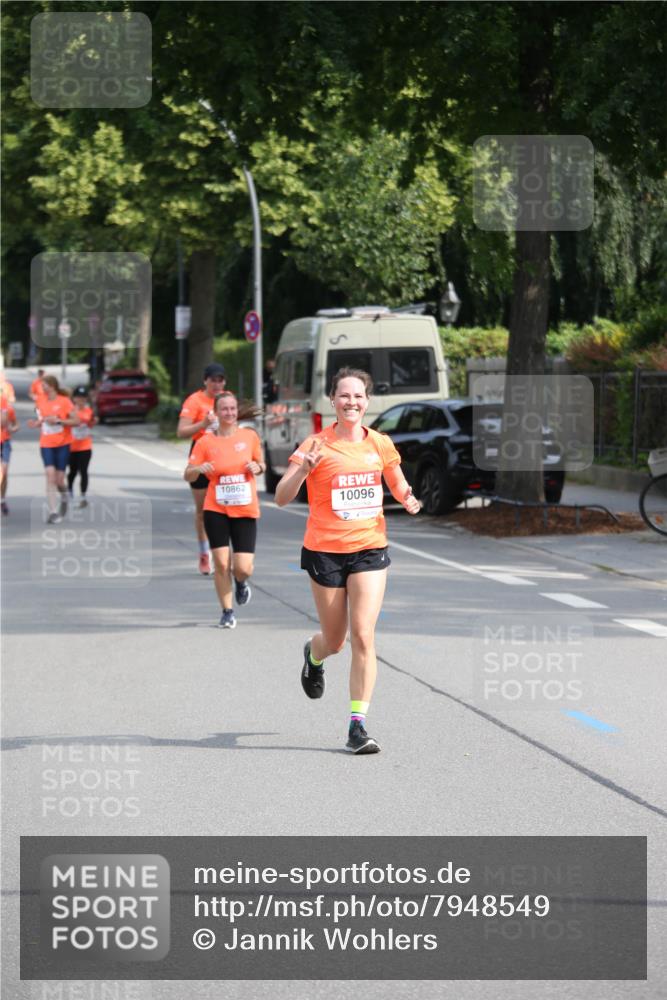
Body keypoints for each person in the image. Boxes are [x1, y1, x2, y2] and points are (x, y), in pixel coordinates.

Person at [275, 367, 421, 754]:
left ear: (367, 401)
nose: (351, 402)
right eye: (344, 396)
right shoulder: (315, 444)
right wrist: (304, 470)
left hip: (370, 548)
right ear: (333, 401)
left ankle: (358, 725)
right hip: (325, 550)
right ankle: (313, 653)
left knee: (363, 634)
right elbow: (280, 497)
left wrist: (408, 497)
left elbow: (396, 480)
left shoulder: (380, 444)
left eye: (358, 396)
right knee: (335, 640)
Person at [184, 391, 265, 629]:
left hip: (245, 509)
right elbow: (187, 473)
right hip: (215, 508)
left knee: (242, 567)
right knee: (220, 563)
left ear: (237, 412)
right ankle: (227, 611)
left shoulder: (249, 437)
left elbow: (262, 464)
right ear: (216, 413)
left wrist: (257, 467)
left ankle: (241, 582)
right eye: (224, 409)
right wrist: (198, 468)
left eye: (232, 408)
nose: (229, 413)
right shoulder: (205, 442)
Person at [177, 363, 227, 575]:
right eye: (213, 380)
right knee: (203, 511)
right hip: (200, 456)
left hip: (224, 456)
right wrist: (203, 425)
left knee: (225, 508)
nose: (217, 384)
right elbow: (181, 432)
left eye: (220, 380)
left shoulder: (227, 398)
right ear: (205, 381)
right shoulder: (195, 401)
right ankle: (204, 553)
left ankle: (223, 553)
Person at [27, 375, 79, 523]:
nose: (43, 388)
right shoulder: (40, 400)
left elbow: (76, 421)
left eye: (45, 385)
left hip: (63, 443)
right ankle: (53, 511)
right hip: (46, 443)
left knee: (59, 479)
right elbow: (41, 420)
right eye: (42, 385)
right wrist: (35, 424)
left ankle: (64, 495)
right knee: (50, 475)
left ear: (53, 386)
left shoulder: (64, 401)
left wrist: (59, 420)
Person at [67, 386, 97, 508]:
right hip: (71, 447)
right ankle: (69, 491)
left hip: (85, 447)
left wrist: (93, 420)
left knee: (83, 471)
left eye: (83, 398)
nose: (81, 400)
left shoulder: (89, 411)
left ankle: (83, 497)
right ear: (74, 398)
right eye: (78, 398)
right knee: (72, 472)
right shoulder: (69, 411)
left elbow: (91, 424)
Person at [1, 393, 19, 515]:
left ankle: (2, 499)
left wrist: (13, 428)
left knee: (4, 472)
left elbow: (15, 424)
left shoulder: (7, 407)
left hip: (5, 442)